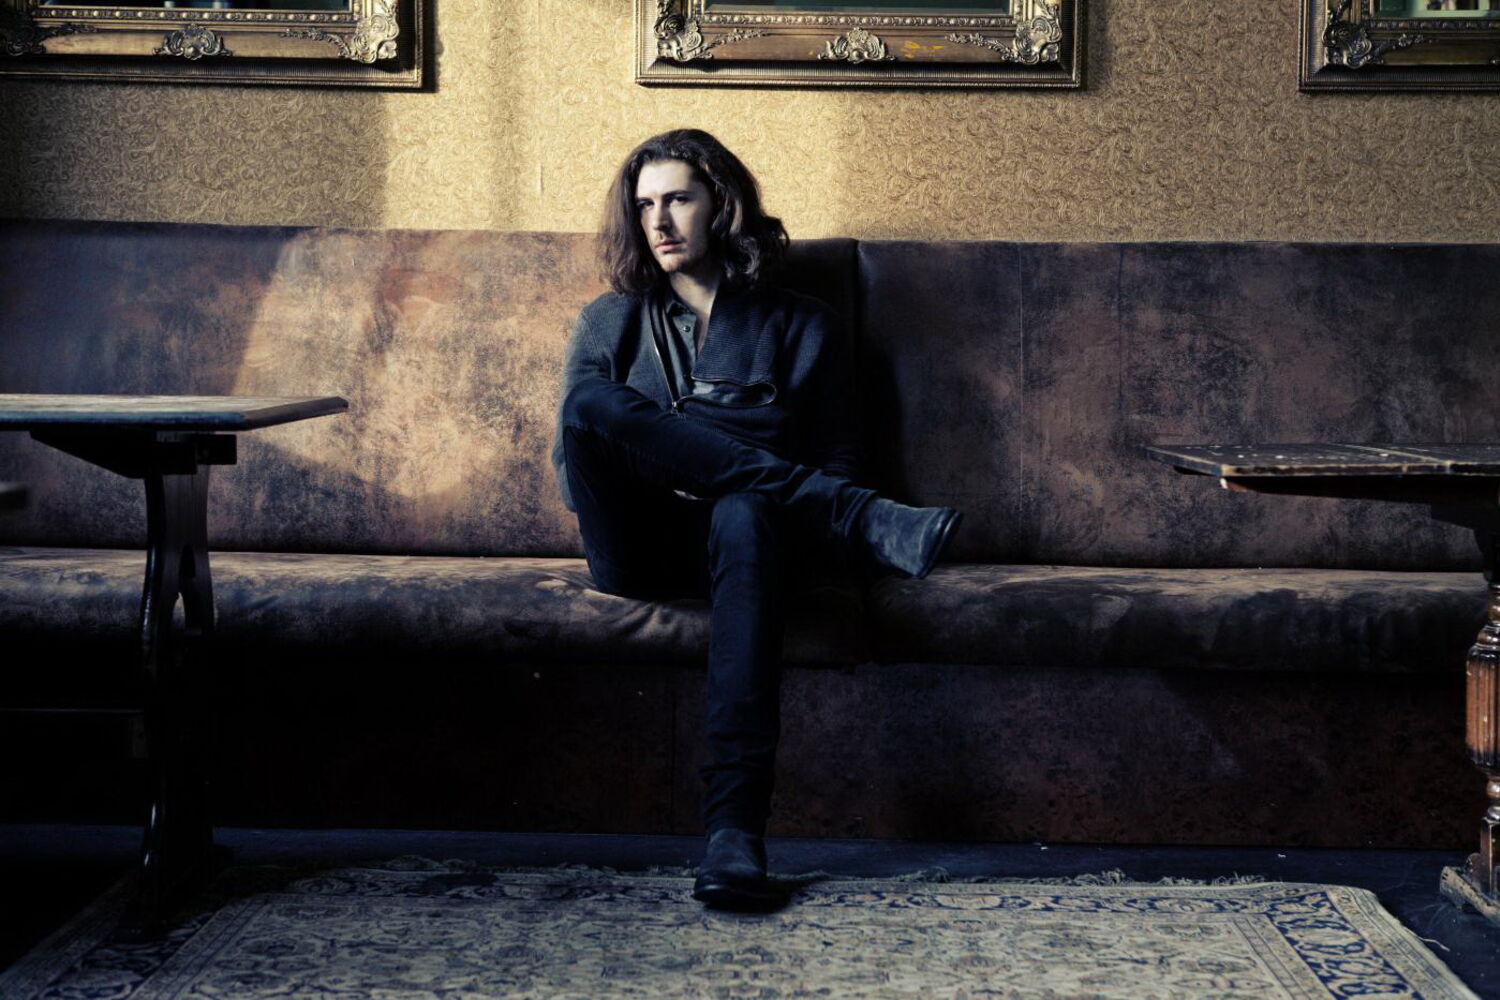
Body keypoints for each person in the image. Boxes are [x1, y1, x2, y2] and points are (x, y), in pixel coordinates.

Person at [551, 128, 961, 910]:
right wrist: (717, 442)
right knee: (593, 403)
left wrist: (705, 451)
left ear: (721, 205)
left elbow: (839, 459)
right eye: (644, 205)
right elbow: (576, 472)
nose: (659, 221)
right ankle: (865, 521)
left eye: (678, 199)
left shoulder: (804, 325)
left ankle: (734, 832)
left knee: (743, 510)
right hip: (635, 541)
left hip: (753, 546)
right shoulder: (609, 321)